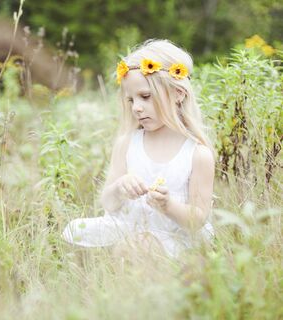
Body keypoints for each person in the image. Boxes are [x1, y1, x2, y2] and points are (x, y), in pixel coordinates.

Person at [61, 39, 215, 259]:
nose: (136, 108)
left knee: (140, 245)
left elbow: (198, 219)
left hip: (172, 235)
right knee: (75, 230)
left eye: (145, 97)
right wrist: (119, 188)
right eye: (131, 100)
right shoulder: (127, 143)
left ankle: (131, 274)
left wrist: (167, 205)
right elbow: (107, 202)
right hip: (127, 225)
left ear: (178, 94)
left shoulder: (197, 154)